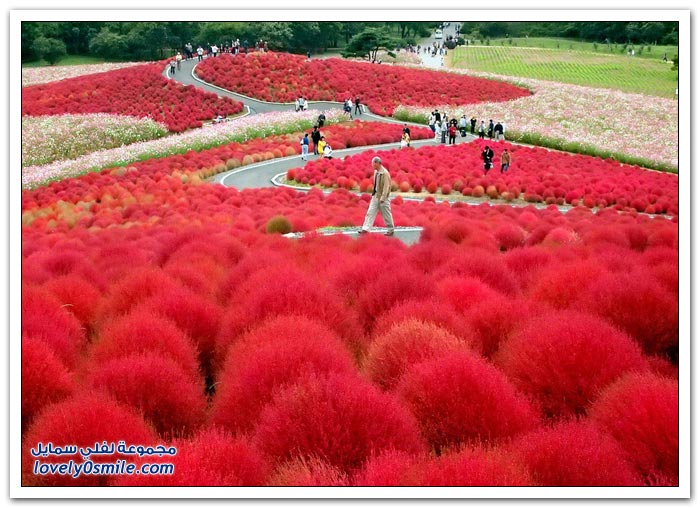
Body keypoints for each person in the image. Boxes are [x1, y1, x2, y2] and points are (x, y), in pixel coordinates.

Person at [359, 156, 395, 237]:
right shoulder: (376, 172)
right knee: (370, 212)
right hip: (375, 196)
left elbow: (387, 187)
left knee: (386, 214)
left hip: (383, 198)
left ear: (378, 163)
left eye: (373, 164)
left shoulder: (385, 173)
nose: (372, 165)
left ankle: (390, 229)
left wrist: (383, 198)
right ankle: (365, 228)